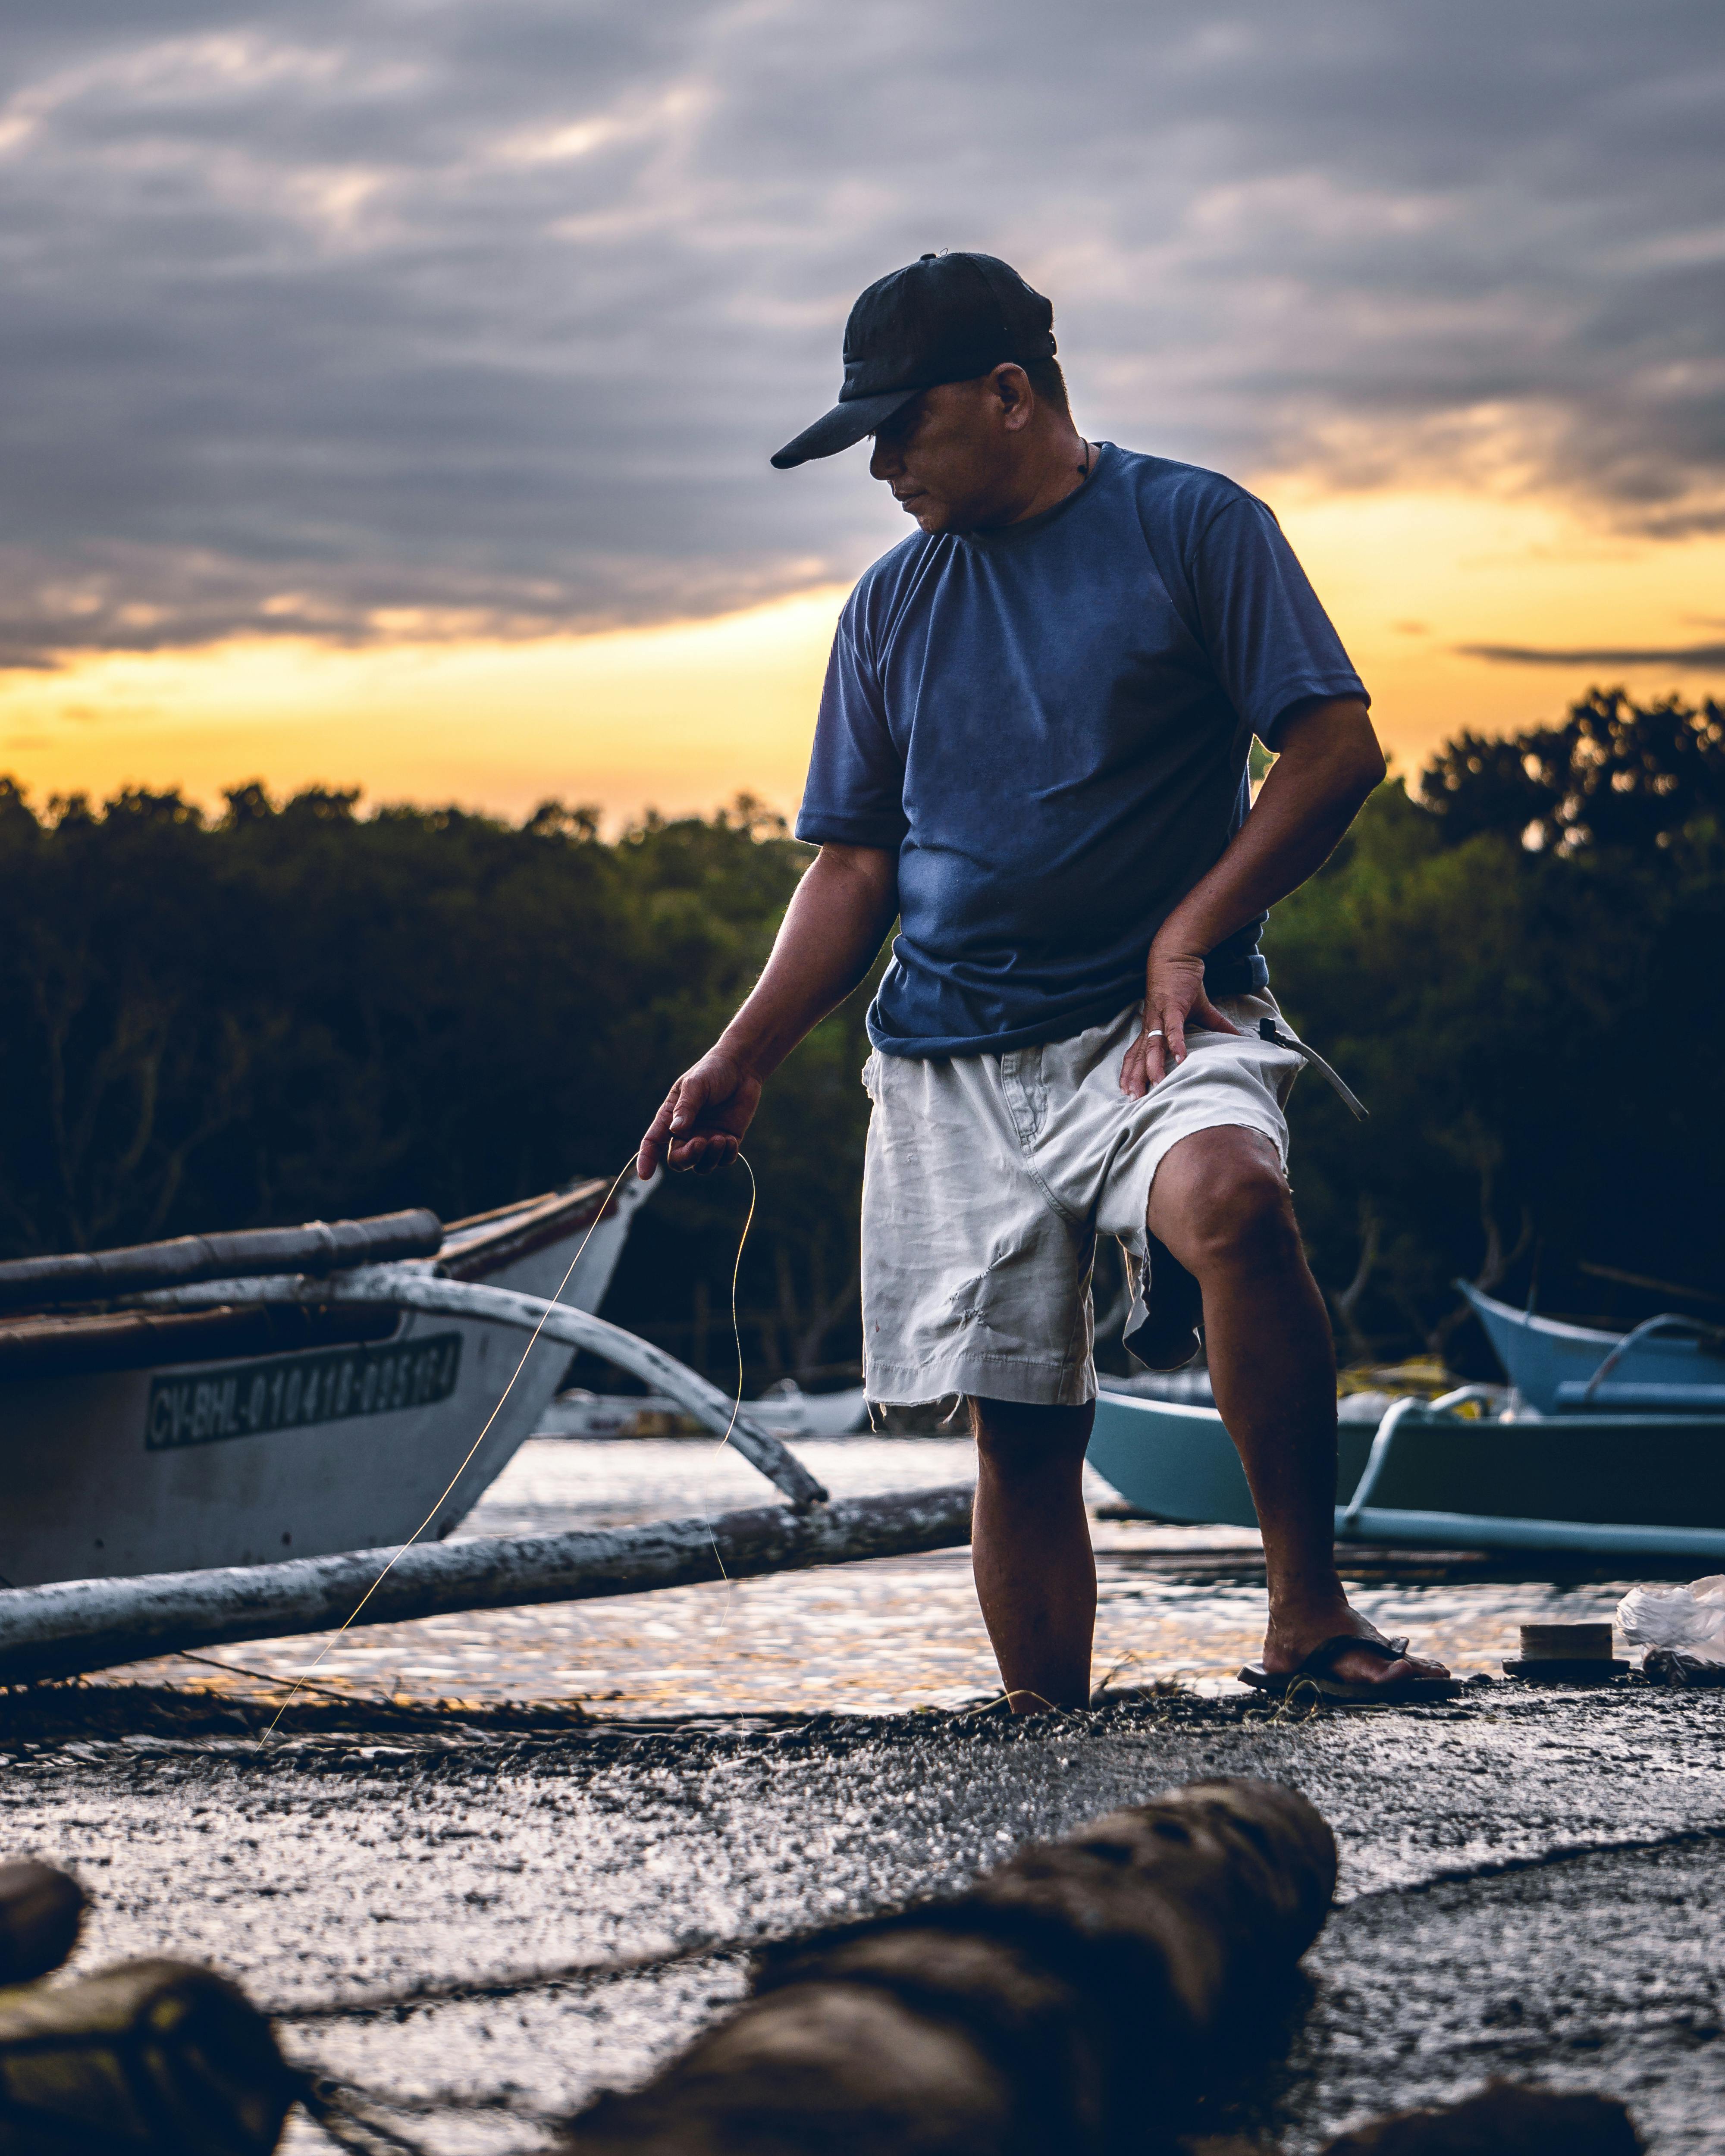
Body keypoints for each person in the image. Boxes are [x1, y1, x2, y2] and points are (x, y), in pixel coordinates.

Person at [638, 251, 1452, 1709]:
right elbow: (853, 870)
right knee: (1020, 1426)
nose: (878, 464)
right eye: (863, 436)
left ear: (1010, 394)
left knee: (1238, 1207)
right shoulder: (889, 608)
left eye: (900, 427)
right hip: (949, 1058)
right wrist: (742, 1054)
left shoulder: (1193, 528)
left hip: (1157, 1028)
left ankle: (1309, 1618)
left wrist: (1190, 930)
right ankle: (1044, 1728)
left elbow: (1335, 750)